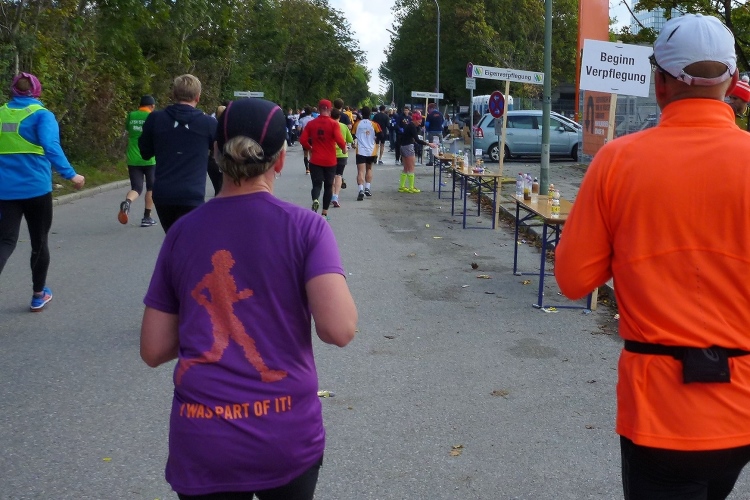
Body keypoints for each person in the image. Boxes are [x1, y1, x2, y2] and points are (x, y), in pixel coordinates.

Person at [555, 14, 750, 499]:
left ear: (659, 82)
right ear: (731, 83)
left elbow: (573, 279)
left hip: (659, 412)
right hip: (743, 407)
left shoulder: (618, 161)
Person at [140, 97, 357, 499]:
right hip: (285, 435)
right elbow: (339, 329)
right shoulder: (307, 228)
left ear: (215, 154)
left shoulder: (182, 233)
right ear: (280, 159)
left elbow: (153, 349)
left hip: (203, 437)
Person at [0, 72, 85, 311]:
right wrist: (71, 175)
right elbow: (51, 146)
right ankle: (38, 295)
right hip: (36, 189)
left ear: (13, 90)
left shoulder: (1, 114)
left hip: (5, 191)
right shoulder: (42, 115)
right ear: (36, 91)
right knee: (39, 241)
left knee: (5, 241)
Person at [138, 74, 217, 233]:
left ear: (173, 94)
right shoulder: (208, 123)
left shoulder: (155, 119)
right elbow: (219, 155)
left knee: (173, 238)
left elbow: (145, 153)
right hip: (192, 194)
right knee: (189, 242)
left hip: (163, 194)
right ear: (198, 96)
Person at [298, 99, 347, 220]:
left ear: (319, 109)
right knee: (328, 186)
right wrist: (344, 149)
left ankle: (315, 200)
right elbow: (340, 141)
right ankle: (324, 213)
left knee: (316, 185)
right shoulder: (334, 124)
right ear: (330, 110)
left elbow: (302, 140)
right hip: (330, 161)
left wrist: (310, 148)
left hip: (315, 160)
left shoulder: (311, 124)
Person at [118, 95, 158, 227]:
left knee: (136, 188)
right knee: (151, 187)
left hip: (133, 157)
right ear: (152, 106)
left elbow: (128, 129)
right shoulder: (152, 116)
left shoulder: (131, 115)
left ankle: (127, 202)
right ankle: (147, 217)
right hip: (149, 158)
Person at [352, 106, 384, 201]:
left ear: (361, 114)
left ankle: (360, 190)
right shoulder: (374, 124)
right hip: (371, 150)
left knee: (360, 171)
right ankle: (367, 188)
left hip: (360, 150)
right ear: (370, 114)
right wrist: (375, 139)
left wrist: (354, 142)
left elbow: (352, 135)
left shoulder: (357, 124)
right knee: (369, 169)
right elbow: (382, 135)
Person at [398, 111, 435, 194]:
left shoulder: (409, 126)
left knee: (406, 167)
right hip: (408, 147)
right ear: (414, 120)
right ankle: (411, 187)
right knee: (411, 167)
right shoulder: (412, 127)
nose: (420, 123)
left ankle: (402, 186)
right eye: (418, 121)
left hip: (403, 146)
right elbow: (417, 140)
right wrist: (428, 144)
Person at [330, 108, 353, 208]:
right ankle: (336, 196)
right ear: (339, 117)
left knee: (331, 176)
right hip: (342, 154)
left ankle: (330, 196)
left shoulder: (329, 126)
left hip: (330, 154)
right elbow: (350, 139)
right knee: (339, 175)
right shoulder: (344, 126)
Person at [424, 102, 444, 166]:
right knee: (440, 145)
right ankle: (442, 160)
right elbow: (443, 122)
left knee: (431, 146)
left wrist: (427, 130)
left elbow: (427, 124)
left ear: (431, 108)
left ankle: (431, 161)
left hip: (431, 132)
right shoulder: (440, 114)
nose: (428, 110)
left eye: (428, 109)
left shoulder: (430, 115)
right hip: (439, 132)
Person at [298, 105, 314, 174]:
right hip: (312, 137)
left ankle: (307, 169)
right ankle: (311, 168)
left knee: (305, 154)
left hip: (305, 137)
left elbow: (299, 129)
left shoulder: (302, 120)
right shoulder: (313, 119)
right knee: (311, 153)